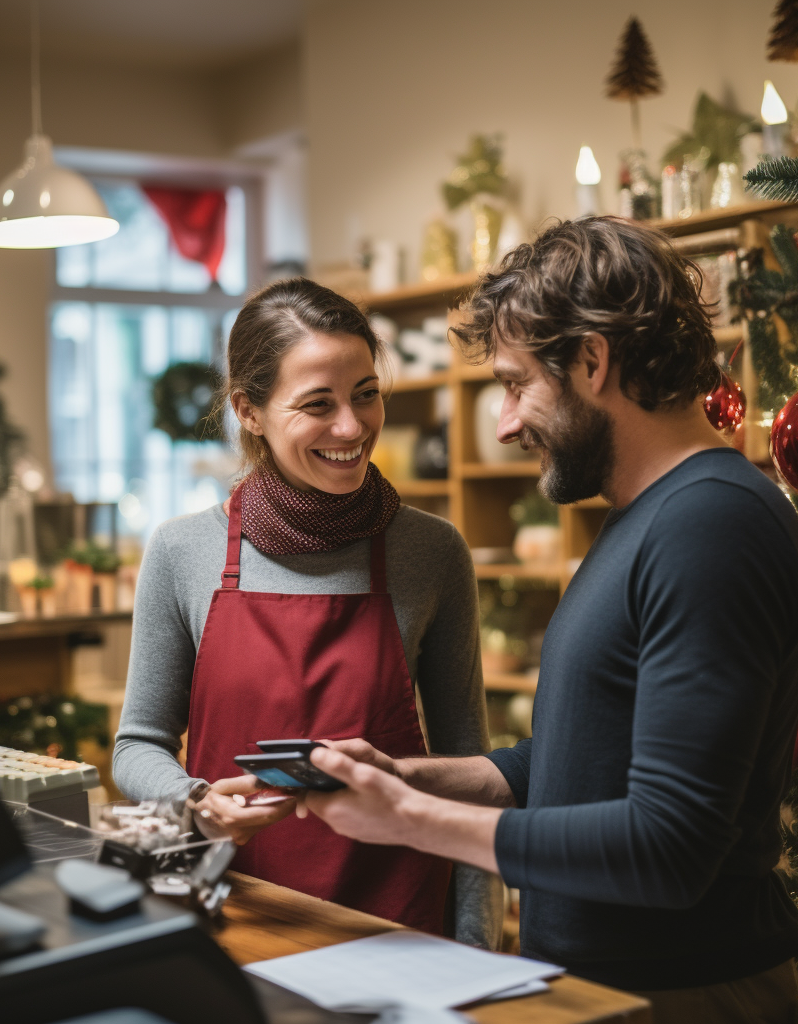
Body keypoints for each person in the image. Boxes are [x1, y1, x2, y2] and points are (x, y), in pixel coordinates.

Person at [299, 219, 798, 1024]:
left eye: (514, 384)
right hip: (607, 985)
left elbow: (670, 847)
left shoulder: (711, 526)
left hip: (685, 992)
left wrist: (409, 822)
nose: (504, 424)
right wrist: (411, 778)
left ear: (592, 361)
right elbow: (581, 760)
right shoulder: (648, 518)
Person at [113, 277, 501, 946]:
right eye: (318, 404)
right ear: (250, 411)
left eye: (366, 395)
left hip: (399, 929)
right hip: (237, 916)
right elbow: (138, 745)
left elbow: (470, 770)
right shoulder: (183, 551)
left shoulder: (431, 552)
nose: (351, 427)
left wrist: (477, 945)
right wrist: (196, 801)